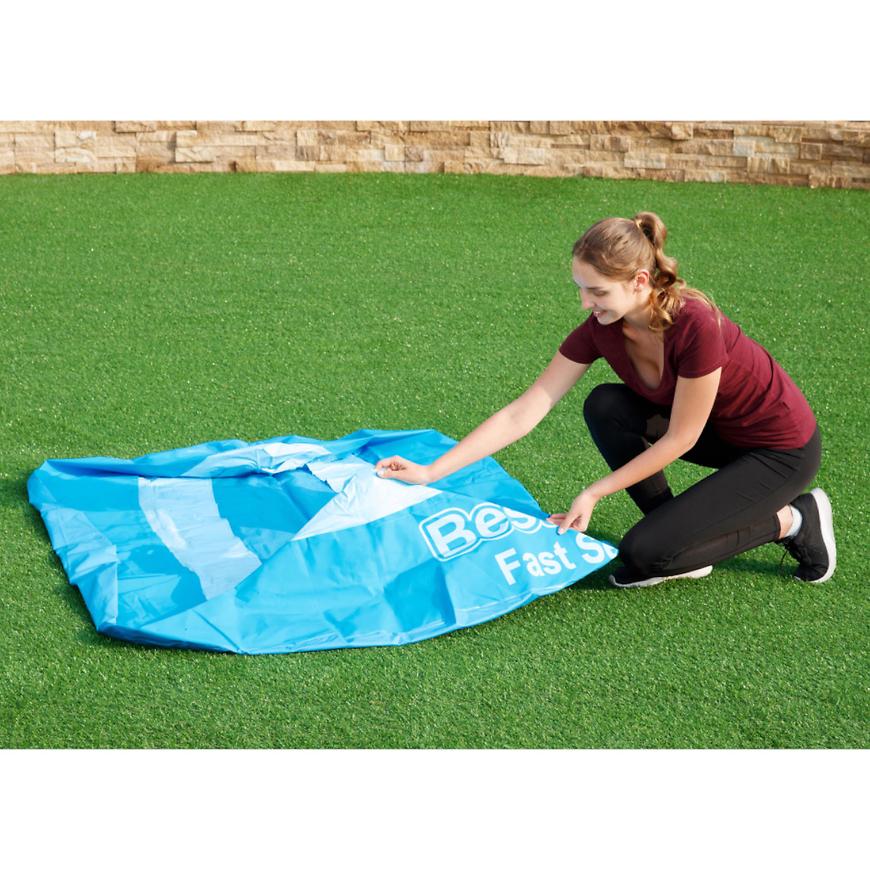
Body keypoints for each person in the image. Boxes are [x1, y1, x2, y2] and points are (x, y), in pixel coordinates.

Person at [375, 212, 836, 588]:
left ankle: (795, 519)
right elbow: (524, 410)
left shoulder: (696, 325)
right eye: (580, 288)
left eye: (597, 291)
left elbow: (681, 437)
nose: (584, 302)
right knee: (606, 405)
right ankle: (684, 544)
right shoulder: (602, 329)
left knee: (642, 554)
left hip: (778, 451)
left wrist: (595, 491)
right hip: (715, 435)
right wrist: (432, 471)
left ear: (639, 281)